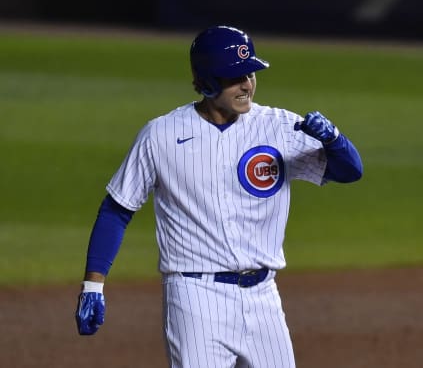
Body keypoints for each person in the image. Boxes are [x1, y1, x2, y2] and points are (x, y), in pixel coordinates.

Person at [75, 25, 363, 367]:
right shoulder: (162, 135)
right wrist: (93, 285)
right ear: (207, 81)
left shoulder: (280, 127)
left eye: (250, 73)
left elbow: (350, 172)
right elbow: (116, 210)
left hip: (264, 296)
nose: (247, 84)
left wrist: (335, 140)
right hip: (196, 298)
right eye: (234, 77)